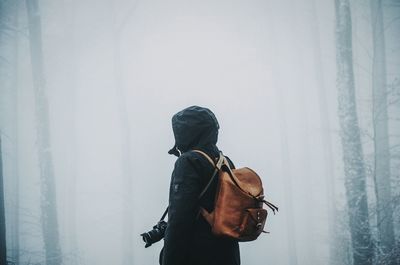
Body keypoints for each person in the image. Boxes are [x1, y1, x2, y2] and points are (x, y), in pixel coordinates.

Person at [160, 106, 240, 265]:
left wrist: (169, 260)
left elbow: (179, 221)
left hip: (197, 255)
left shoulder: (189, 161)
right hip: (229, 255)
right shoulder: (226, 162)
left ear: (185, 133)